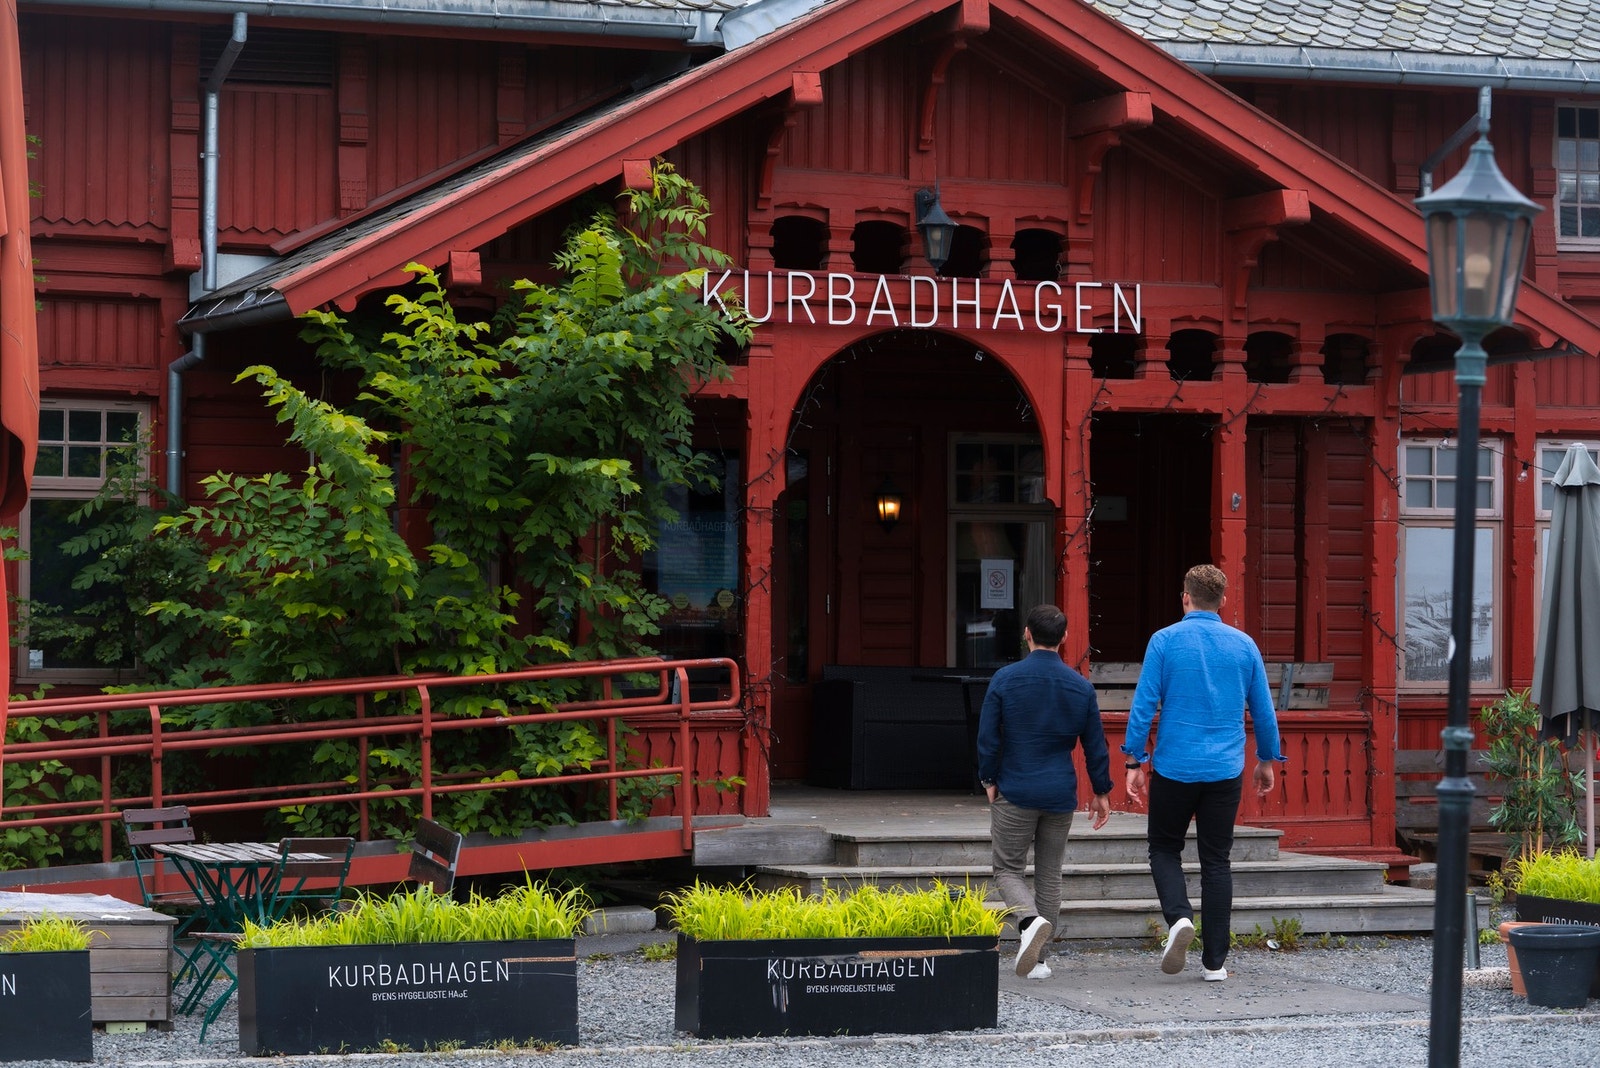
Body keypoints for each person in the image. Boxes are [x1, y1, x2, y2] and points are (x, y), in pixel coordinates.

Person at [1122, 564, 1286, 983]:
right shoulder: (1244, 645)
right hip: (1224, 769)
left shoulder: (1164, 641)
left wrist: (1134, 760)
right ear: (1223, 601)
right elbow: (1263, 711)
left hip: (1175, 766)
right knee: (1216, 861)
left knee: (1163, 848)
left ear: (1185, 598)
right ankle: (1215, 962)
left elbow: (1144, 705)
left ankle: (1179, 918)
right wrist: (1266, 760)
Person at [977, 603, 1113, 980]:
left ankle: (1028, 921)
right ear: (1064, 638)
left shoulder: (1005, 679)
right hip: (1059, 793)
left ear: (1027, 634)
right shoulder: (1080, 686)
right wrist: (1101, 791)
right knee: (1050, 875)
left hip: (1016, 787)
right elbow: (1095, 746)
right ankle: (1039, 961)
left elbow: (988, 737)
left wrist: (988, 779)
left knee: (1007, 869)